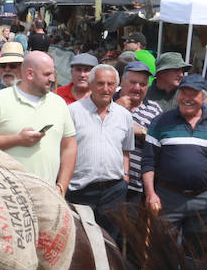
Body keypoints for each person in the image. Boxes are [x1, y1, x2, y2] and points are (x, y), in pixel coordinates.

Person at [0, 51, 76, 191]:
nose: (52, 79)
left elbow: (69, 146)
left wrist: (61, 187)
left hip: (48, 195)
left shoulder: (59, 103)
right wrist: (17, 139)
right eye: (47, 74)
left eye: (53, 74)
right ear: (29, 74)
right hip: (6, 197)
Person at [68, 65, 135, 238]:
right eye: (100, 83)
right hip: (80, 189)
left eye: (110, 84)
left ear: (116, 87)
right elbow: (65, 148)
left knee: (110, 240)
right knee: (80, 240)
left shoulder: (124, 116)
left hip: (114, 189)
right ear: (91, 85)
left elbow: (126, 150)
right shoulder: (73, 111)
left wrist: (125, 176)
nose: (105, 89)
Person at [142, 74, 207, 242]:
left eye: (193, 94)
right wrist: (150, 193)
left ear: (204, 97)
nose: (187, 98)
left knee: (198, 254)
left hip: (203, 200)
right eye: (183, 93)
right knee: (163, 250)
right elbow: (148, 162)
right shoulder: (161, 121)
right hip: (168, 198)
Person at [116, 60, 161, 203]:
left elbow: (160, 143)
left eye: (142, 84)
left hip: (137, 187)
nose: (137, 88)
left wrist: (142, 131)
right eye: (133, 82)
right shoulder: (108, 102)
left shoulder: (155, 110)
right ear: (122, 81)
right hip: (107, 183)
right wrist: (117, 109)